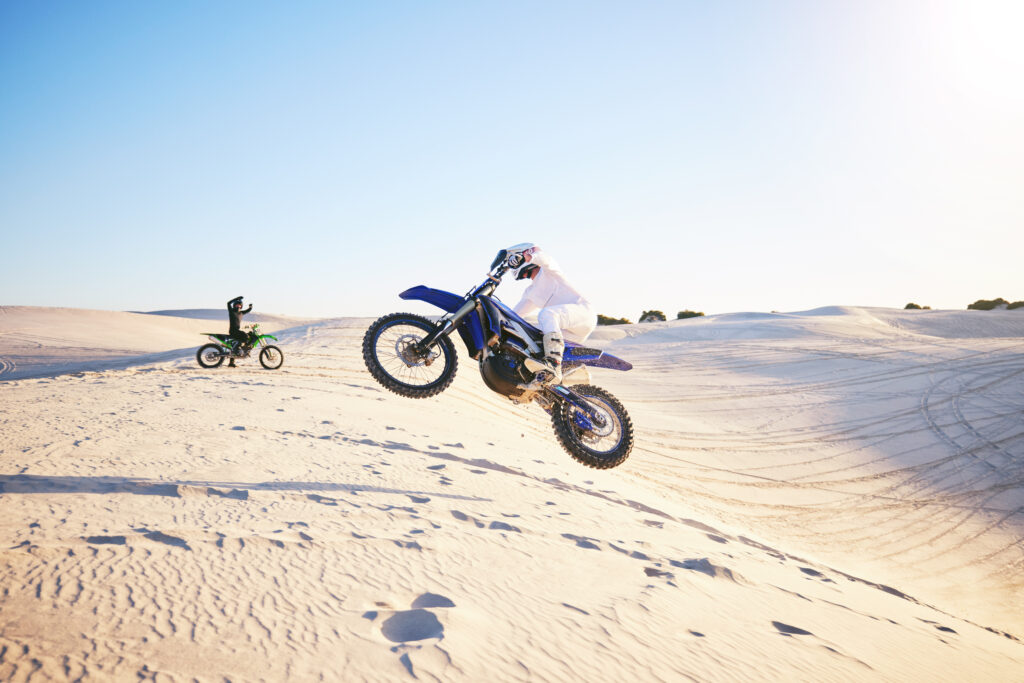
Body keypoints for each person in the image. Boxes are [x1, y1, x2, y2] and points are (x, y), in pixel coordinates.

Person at [505, 243, 597, 386]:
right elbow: (513, 316)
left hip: (583, 314)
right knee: (533, 337)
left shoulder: (549, 271)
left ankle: (553, 364)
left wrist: (529, 257)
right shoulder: (530, 292)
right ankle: (558, 380)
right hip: (566, 331)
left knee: (546, 314)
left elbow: (544, 258)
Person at [226, 296, 252, 367]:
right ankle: (238, 349)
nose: (238, 306)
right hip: (233, 331)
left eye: (240, 305)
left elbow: (248, 310)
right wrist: (236, 299)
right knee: (245, 336)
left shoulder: (241, 313)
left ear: (241, 306)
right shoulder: (232, 311)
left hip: (236, 331)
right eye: (237, 305)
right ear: (234, 305)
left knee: (234, 345)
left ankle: (231, 363)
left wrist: (250, 307)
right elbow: (228, 303)